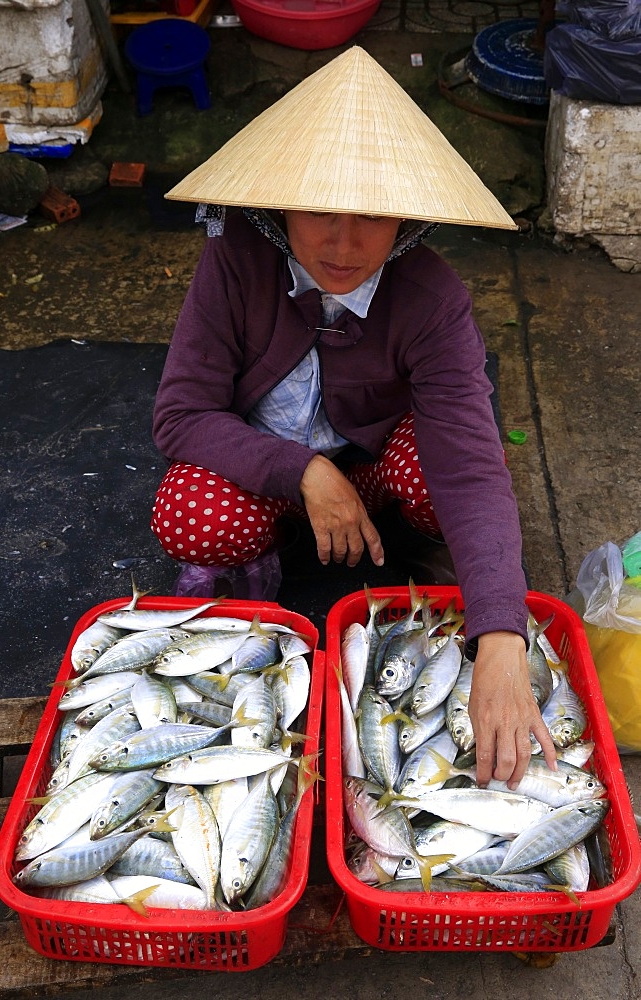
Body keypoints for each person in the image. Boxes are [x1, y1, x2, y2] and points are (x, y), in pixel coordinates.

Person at [150, 46, 558, 787]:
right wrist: (299, 468)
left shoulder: (433, 299)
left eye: (372, 215)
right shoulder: (236, 260)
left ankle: (421, 572)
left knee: (453, 477)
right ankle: (261, 565)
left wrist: (502, 631)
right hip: (265, 469)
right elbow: (181, 415)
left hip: (367, 475)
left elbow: (468, 460)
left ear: (406, 219)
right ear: (280, 204)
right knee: (192, 516)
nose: (344, 243)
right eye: (320, 212)